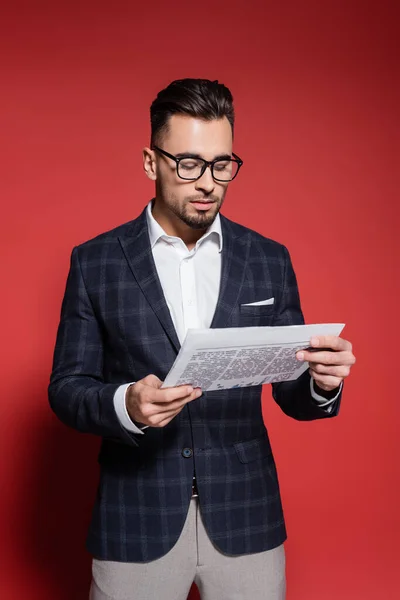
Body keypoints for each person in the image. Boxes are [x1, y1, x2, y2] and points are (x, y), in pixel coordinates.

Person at [48, 78, 356, 600]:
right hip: (136, 519)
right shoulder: (94, 261)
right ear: (151, 162)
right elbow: (66, 387)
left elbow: (291, 392)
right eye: (188, 164)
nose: (208, 182)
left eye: (221, 164)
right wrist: (126, 403)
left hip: (246, 517)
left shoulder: (268, 259)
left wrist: (321, 382)